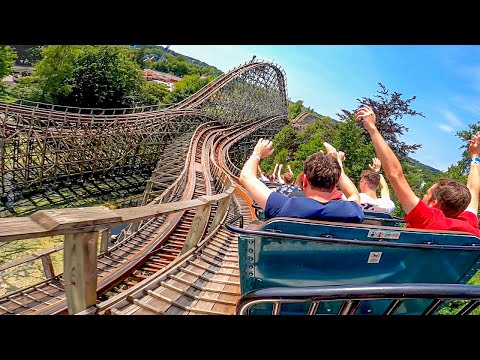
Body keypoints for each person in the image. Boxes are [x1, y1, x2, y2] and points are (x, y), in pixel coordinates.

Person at [355, 105, 480, 236]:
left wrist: (372, 129)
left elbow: (395, 175)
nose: (422, 196)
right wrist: (475, 156)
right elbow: (473, 190)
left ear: (434, 203)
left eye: (427, 193)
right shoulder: (469, 225)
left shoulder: (427, 219)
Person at [239, 138, 364, 223]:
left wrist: (256, 154)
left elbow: (246, 177)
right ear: (335, 183)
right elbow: (353, 194)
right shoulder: (352, 211)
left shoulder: (286, 206)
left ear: (304, 181)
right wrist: (337, 163)